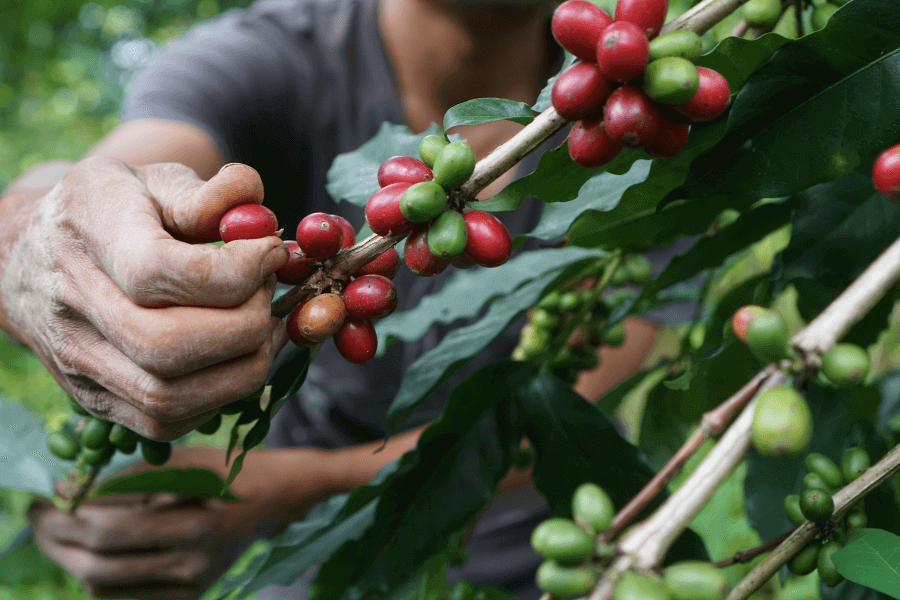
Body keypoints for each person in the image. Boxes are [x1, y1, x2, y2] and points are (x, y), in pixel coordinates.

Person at [7, 0, 685, 597]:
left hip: (540, 539)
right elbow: (103, 175)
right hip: (315, 557)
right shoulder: (272, 55)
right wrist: (43, 234)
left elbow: (568, 406)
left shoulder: (642, 134)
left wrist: (295, 485)